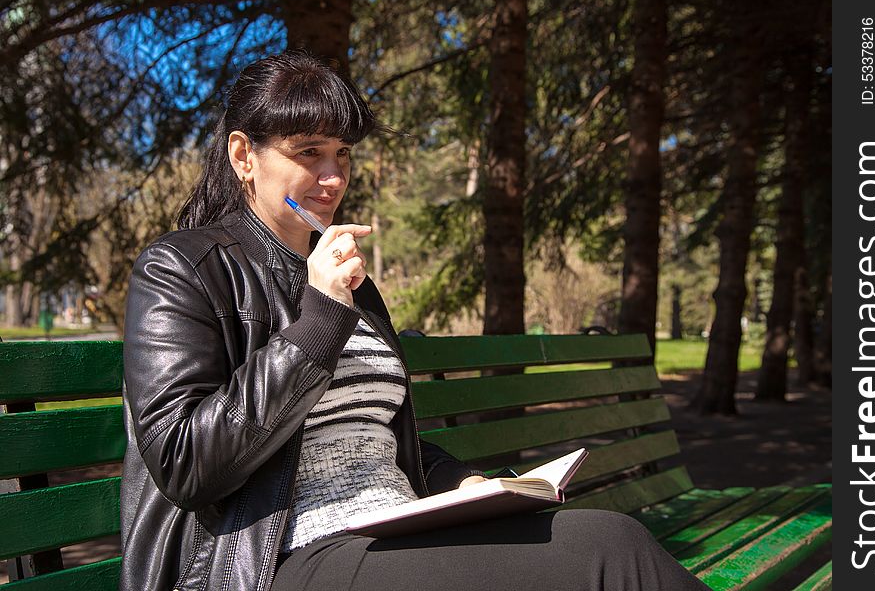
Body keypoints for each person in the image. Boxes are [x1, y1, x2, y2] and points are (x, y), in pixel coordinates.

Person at [120, 50, 711, 591]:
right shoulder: (183, 269)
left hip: (393, 533)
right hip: (283, 560)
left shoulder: (351, 283)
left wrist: (465, 485)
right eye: (308, 153)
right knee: (607, 557)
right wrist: (318, 322)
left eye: (342, 154)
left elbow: (378, 440)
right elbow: (185, 462)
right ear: (244, 155)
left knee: (608, 535)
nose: (334, 178)